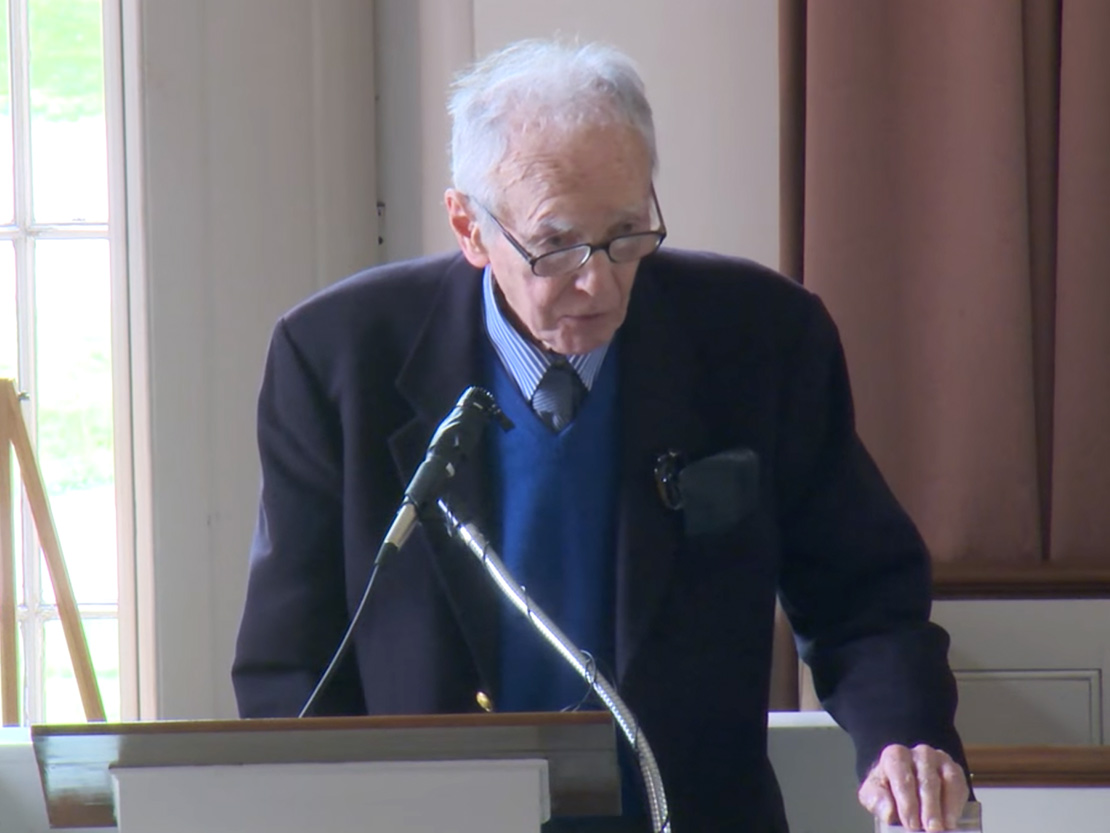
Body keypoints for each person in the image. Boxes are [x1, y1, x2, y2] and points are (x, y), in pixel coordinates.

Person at [233, 38, 970, 833]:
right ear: (470, 228)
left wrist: (907, 735)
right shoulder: (336, 358)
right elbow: (296, 665)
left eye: (627, 234)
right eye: (556, 246)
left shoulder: (762, 338)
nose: (600, 280)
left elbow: (863, 594)